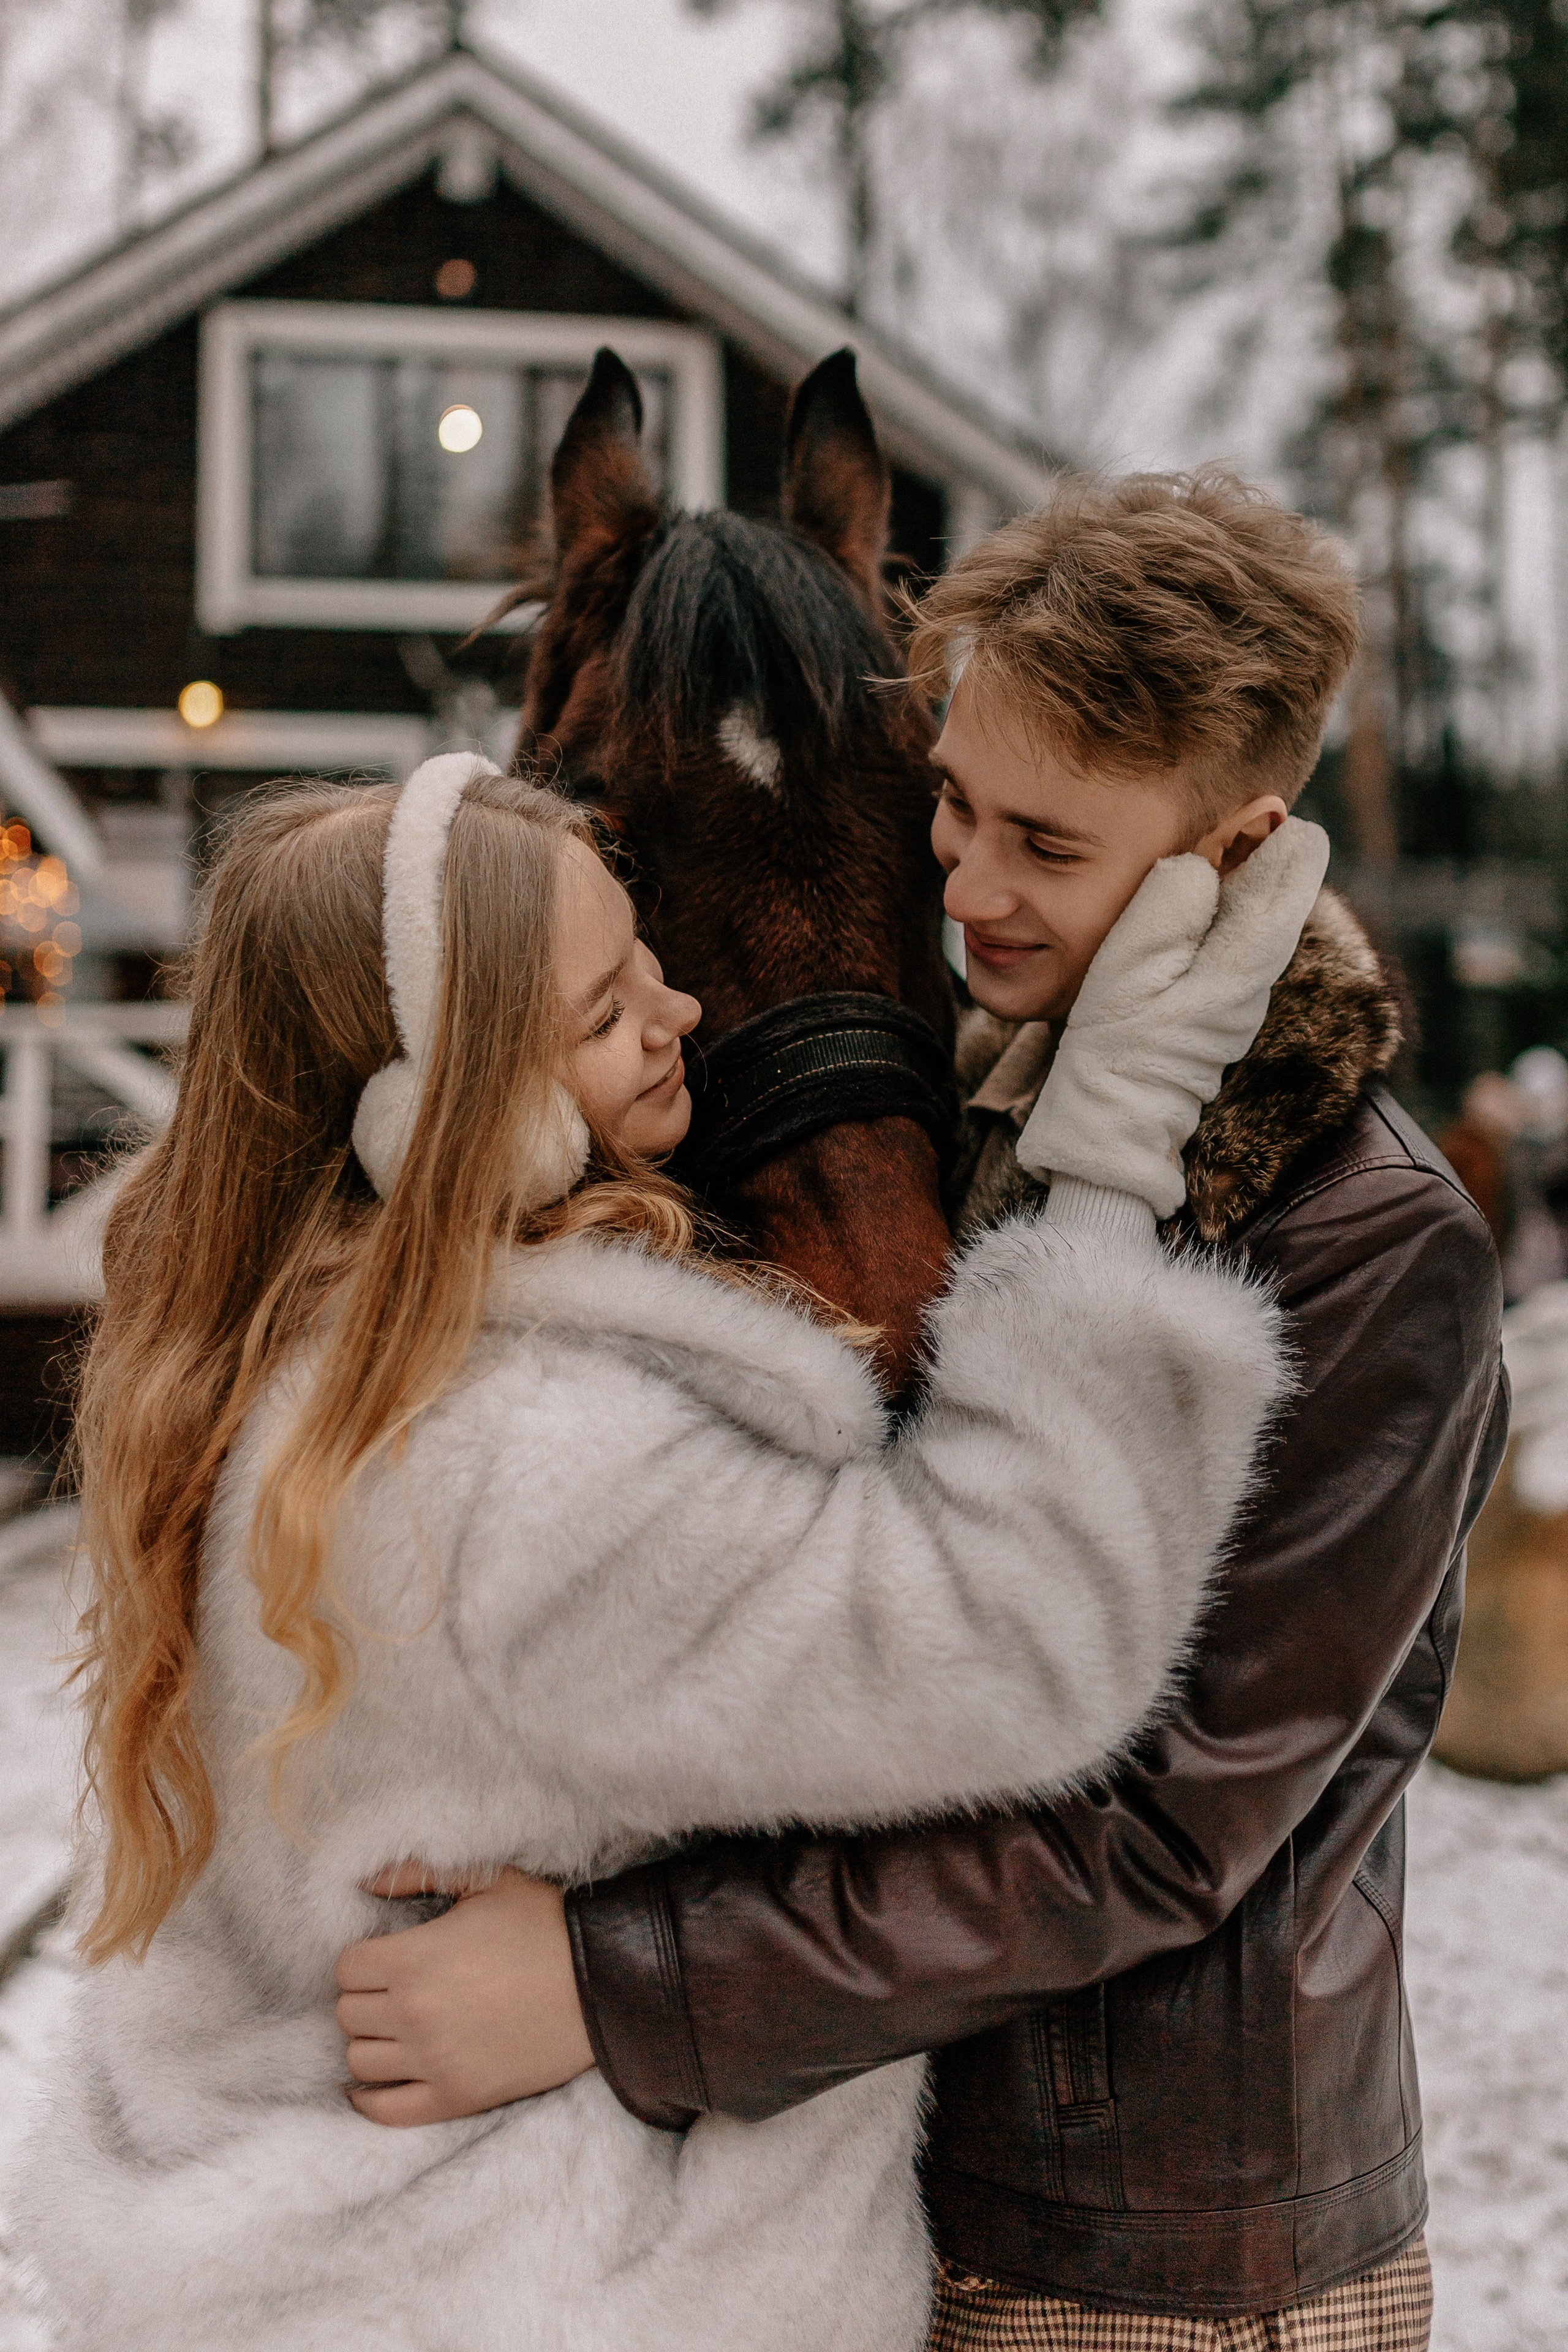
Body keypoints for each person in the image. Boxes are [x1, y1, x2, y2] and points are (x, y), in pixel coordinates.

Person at [348, 476, 1508, 2352]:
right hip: (867, 2200)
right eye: (946, 808)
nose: (962, 887)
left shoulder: (1368, 1252)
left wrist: (611, 1986)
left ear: (1240, 842)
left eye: (1043, 844)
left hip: (1150, 2266)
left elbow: (1157, 1829)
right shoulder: (982, 1115)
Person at [20, 750, 1307, 2352]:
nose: (680, 1013)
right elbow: (1017, 1639)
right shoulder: (522, 1469)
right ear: (440, 1117)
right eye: (602, 1008)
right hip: (557, 2290)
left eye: (650, 959)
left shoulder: (295, 1378)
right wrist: (1109, 1169)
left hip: (333, 2267)